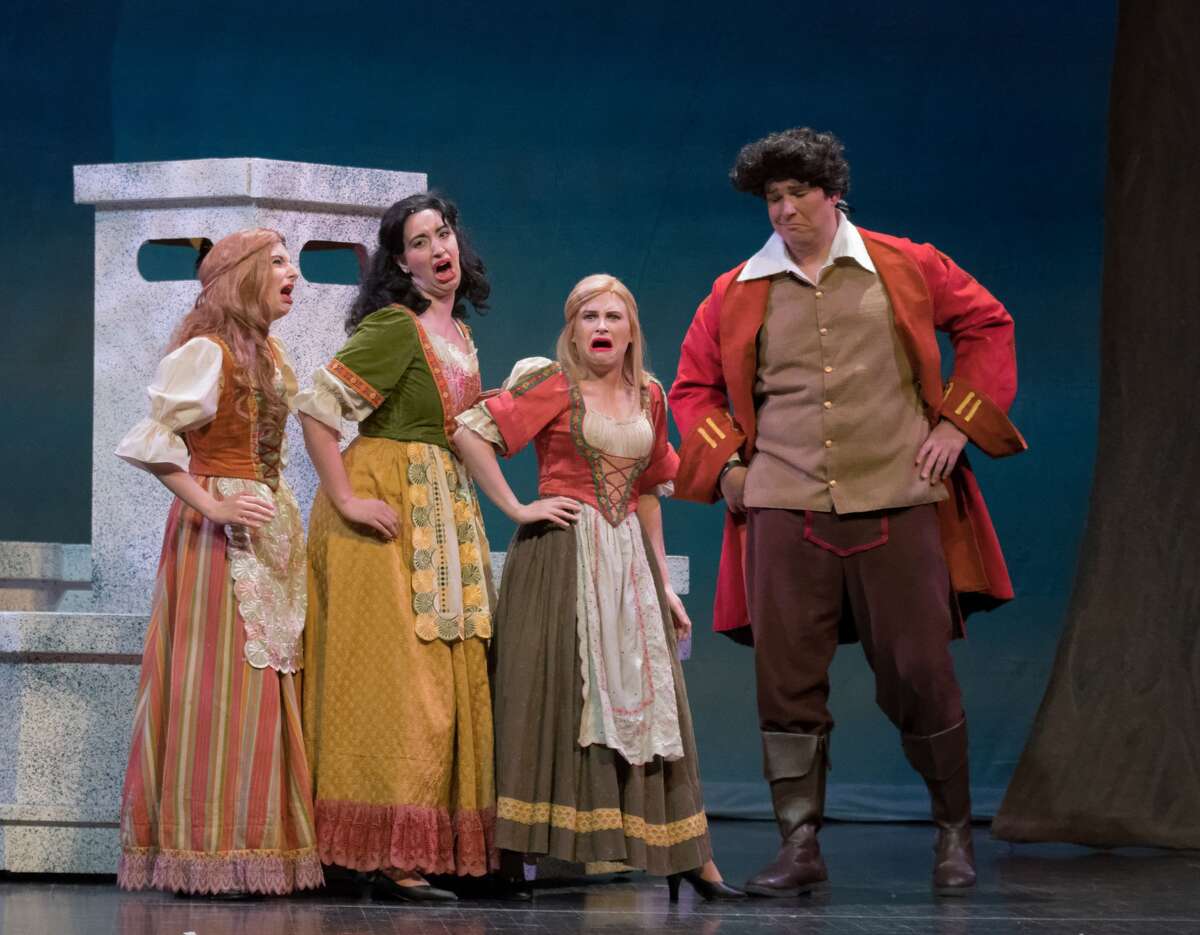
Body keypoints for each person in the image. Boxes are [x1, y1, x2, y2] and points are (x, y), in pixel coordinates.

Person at [668, 128, 1026, 896]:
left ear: (834, 195)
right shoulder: (735, 291)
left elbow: (988, 325)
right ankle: (800, 845)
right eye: (773, 197)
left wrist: (958, 422)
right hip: (784, 509)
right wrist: (729, 469)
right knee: (786, 679)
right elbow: (690, 387)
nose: (785, 209)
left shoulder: (904, 263)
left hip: (898, 498)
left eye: (799, 193)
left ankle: (954, 834)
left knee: (918, 671)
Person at [454, 274, 743, 902]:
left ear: (632, 328)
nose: (602, 327)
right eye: (589, 316)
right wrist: (517, 508)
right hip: (560, 556)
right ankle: (516, 856)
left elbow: (646, 492)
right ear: (572, 329)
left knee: (646, 696)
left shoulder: (651, 396)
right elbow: (469, 432)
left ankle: (689, 858)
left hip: (629, 565)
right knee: (552, 697)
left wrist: (665, 584)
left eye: (613, 316)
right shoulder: (553, 386)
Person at [296, 193, 495, 902]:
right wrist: (348, 496)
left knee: (446, 677)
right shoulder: (395, 327)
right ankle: (380, 849)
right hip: (384, 513)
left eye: (443, 231)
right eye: (419, 241)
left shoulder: (458, 335)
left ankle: (426, 844)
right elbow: (318, 411)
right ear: (401, 262)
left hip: (442, 513)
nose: (438, 246)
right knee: (397, 686)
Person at [114, 228, 321, 896]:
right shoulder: (208, 352)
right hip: (215, 540)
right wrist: (213, 503)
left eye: (292, 262)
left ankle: (264, 845)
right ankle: (211, 847)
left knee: (263, 679)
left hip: (266, 531)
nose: (292, 272)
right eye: (278, 263)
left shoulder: (271, 352)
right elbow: (151, 442)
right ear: (241, 276)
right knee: (219, 683)